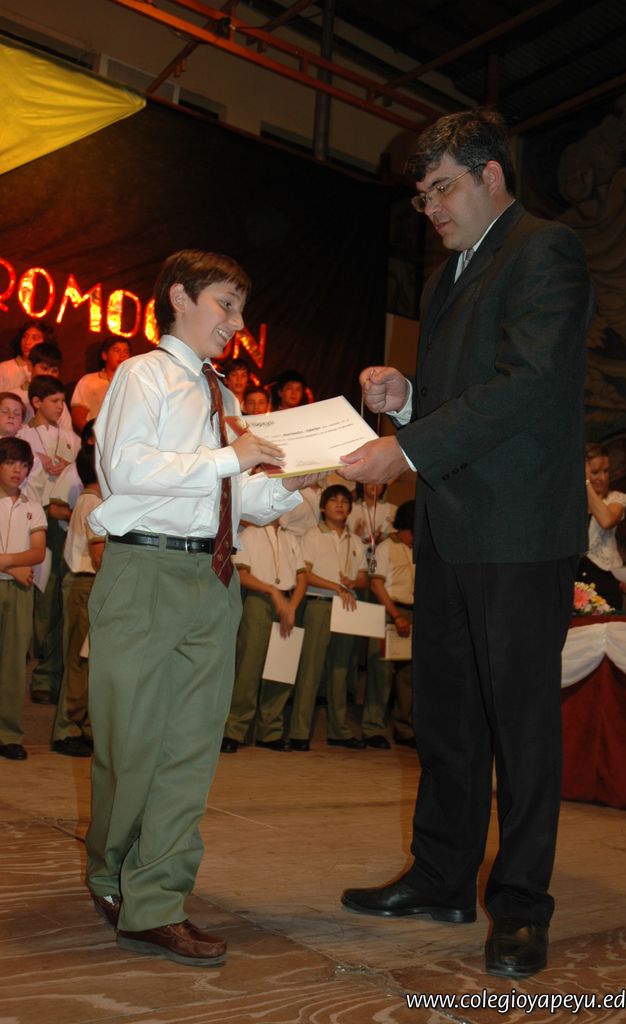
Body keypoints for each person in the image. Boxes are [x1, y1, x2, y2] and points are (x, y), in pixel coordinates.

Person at [339, 109, 594, 980]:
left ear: (491, 175)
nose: (431, 209)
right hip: (452, 528)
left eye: (442, 188)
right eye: (421, 197)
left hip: (518, 531)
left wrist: (406, 449)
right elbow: (464, 394)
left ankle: (520, 906)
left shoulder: (545, 251)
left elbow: (527, 384)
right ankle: (441, 877)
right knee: (446, 715)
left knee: (520, 725)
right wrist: (408, 396)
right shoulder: (447, 276)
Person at [85, 249, 319, 968]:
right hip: (144, 570)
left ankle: (156, 900)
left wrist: (293, 481)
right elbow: (126, 468)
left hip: (214, 578)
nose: (238, 323)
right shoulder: (144, 375)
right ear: (181, 298)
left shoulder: (226, 401)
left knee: (190, 748)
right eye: (227, 304)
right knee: (130, 743)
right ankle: (111, 870)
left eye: (241, 309)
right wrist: (230, 458)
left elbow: (241, 498)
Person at [288, 484, 368, 751]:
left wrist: (352, 583)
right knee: (310, 669)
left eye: (345, 501)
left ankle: (339, 731)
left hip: (348, 607)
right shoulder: (313, 534)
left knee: (341, 670)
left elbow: (365, 578)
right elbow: (306, 574)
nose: (340, 505)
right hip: (319, 604)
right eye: (334, 500)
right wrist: (336, 586)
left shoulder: (355, 540)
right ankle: (299, 732)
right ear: (323, 507)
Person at [221, 518, 306, 753]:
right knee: (249, 666)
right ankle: (234, 729)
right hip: (259, 599)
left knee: (280, 669)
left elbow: (302, 578)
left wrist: (292, 606)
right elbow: (242, 575)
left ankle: (271, 731)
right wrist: (273, 592)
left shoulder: (291, 538)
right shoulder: (249, 534)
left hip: (288, 603)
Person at [19, 377, 79, 704]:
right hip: (31, 517)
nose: (60, 407)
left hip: (61, 521)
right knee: (33, 592)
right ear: (36, 402)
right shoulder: (22, 436)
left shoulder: (71, 438)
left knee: (56, 594)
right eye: (54, 400)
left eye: (62, 401)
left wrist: (69, 467)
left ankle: (46, 672)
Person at [51, 445, 104, 758]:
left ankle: (81, 724)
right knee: (78, 658)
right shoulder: (92, 502)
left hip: (88, 584)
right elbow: (99, 556)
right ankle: (68, 728)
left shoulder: (92, 500)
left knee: (87, 659)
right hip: (85, 583)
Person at [0, 437, 47, 760]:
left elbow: (38, 551)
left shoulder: (32, 506)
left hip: (19, 591)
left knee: (14, 663)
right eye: (9, 463)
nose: (17, 470)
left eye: (23, 465)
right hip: (14, 578)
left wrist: (7, 564)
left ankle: (8, 734)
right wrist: (13, 568)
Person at [361, 500, 415, 749]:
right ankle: (373, 727)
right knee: (381, 673)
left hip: (413, 613)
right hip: (389, 612)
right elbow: (375, 584)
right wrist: (396, 615)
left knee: (408, 675)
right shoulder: (384, 548)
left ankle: (405, 728)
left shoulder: (417, 548)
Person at [578, 443, 626, 609]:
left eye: (606, 471)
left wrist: (586, 483)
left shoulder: (616, 498)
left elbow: (606, 521)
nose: (602, 478)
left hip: (604, 580)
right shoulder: (571, 503)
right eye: (595, 472)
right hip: (574, 576)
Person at [70, 336, 131, 433]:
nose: (122, 355)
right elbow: (78, 416)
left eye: (126, 352)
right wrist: (92, 436)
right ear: (104, 355)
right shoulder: (89, 380)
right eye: (116, 350)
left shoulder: (133, 383)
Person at [0, 320, 56, 391]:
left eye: (35, 338)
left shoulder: (48, 370)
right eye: (25, 337)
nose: (27, 342)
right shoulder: (4, 368)